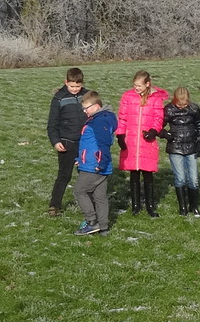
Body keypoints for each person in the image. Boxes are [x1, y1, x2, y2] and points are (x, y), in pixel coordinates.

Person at [116, 70, 170, 217]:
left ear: (147, 84)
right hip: (132, 140)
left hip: (147, 141)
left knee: (147, 173)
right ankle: (135, 205)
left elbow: (158, 117)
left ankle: (150, 206)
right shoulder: (128, 96)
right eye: (135, 85)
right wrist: (120, 134)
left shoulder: (155, 99)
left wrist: (153, 130)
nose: (136, 88)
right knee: (134, 173)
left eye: (139, 86)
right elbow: (123, 117)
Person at [73, 89, 117, 235]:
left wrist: (101, 163)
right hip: (93, 163)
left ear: (96, 106)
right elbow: (89, 144)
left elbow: (103, 144)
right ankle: (103, 226)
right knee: (100, 196)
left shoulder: (99, 122)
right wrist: (80, 159)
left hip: (95, 166)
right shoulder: (98, 119)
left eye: (86, 108)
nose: (85, 111)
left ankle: (91, 221)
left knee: (79, 190)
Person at [46, 67, 87, 216]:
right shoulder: (59, 99)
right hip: (67, 143)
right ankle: (54, 204)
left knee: (87, 175)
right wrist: (56, 141)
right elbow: (52, 124)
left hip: (85, 144)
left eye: (78, 86)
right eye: (72, 86)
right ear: (66, 82)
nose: (75, 89)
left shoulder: (87, 96)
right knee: (64, 175)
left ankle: (89, 205)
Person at [162, 86, 200, 217]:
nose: (182, 105)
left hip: (191, 146)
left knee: (193, 179)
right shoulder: (169, 109)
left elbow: (199, 125)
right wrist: (165, 134)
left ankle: (194, 207)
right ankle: (183, 208)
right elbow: (159, 125)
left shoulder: (194, 108)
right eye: (179, 103)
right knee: (180, 178)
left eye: (185, 103)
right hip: (175, 147)